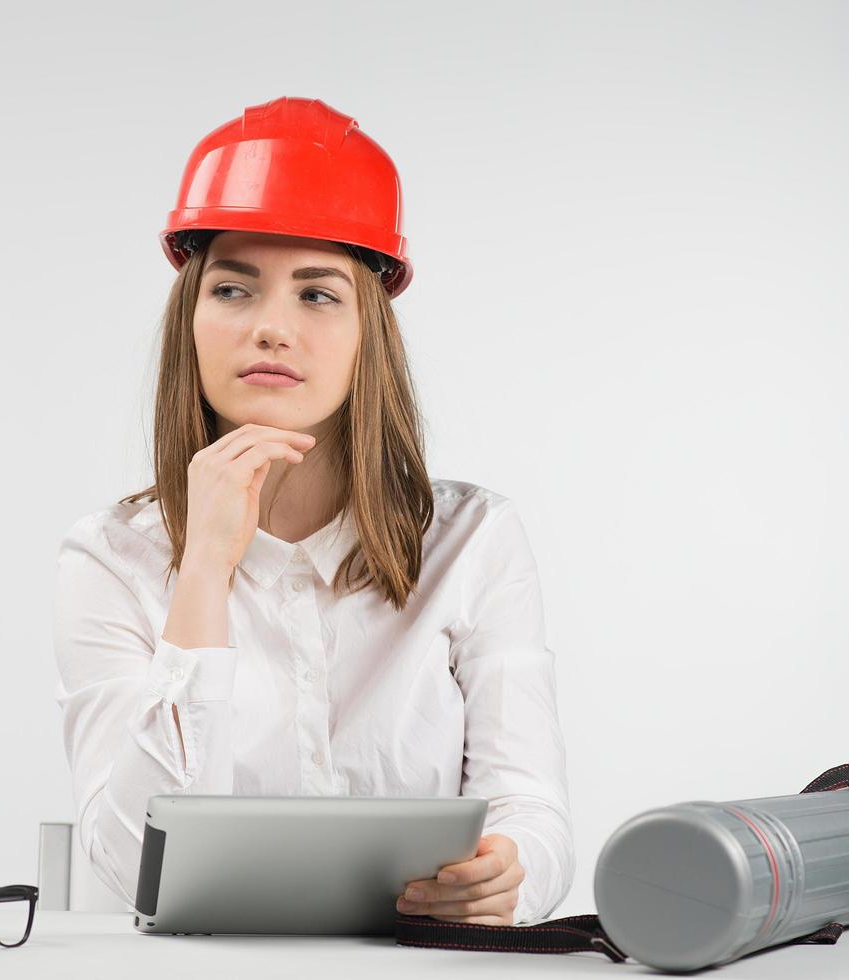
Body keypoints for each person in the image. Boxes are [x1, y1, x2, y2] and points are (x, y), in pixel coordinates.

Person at [52, 96, 573, 927]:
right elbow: (129, 866)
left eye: (317, 295)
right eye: (232, 288)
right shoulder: (110, 558)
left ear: (370, 330)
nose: (270, 329)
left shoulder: (473, 541)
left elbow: (529, 809)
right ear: (191, 320)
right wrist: (202, 577)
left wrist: (511, 874)